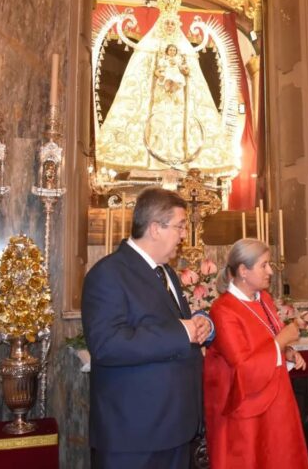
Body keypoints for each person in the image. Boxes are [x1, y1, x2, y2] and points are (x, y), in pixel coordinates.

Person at [82, 186, 214, 469]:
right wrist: (182, 332)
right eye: (179, 226)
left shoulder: (165, 272)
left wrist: (195, 329)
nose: (183, 235)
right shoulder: (108, 273)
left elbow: (174, 329)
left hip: (174, 426)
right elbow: (107, 345)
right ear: (155, 228)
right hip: (134, 436)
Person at [203, 238, 308, 469]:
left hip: (277, 402)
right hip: (246, 409)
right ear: (243, 270)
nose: (270, 271)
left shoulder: (265, 299)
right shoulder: (223, 310)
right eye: (264, 265)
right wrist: (282, 340)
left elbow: (267, 342)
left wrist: (287, 352)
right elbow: (243, 368)